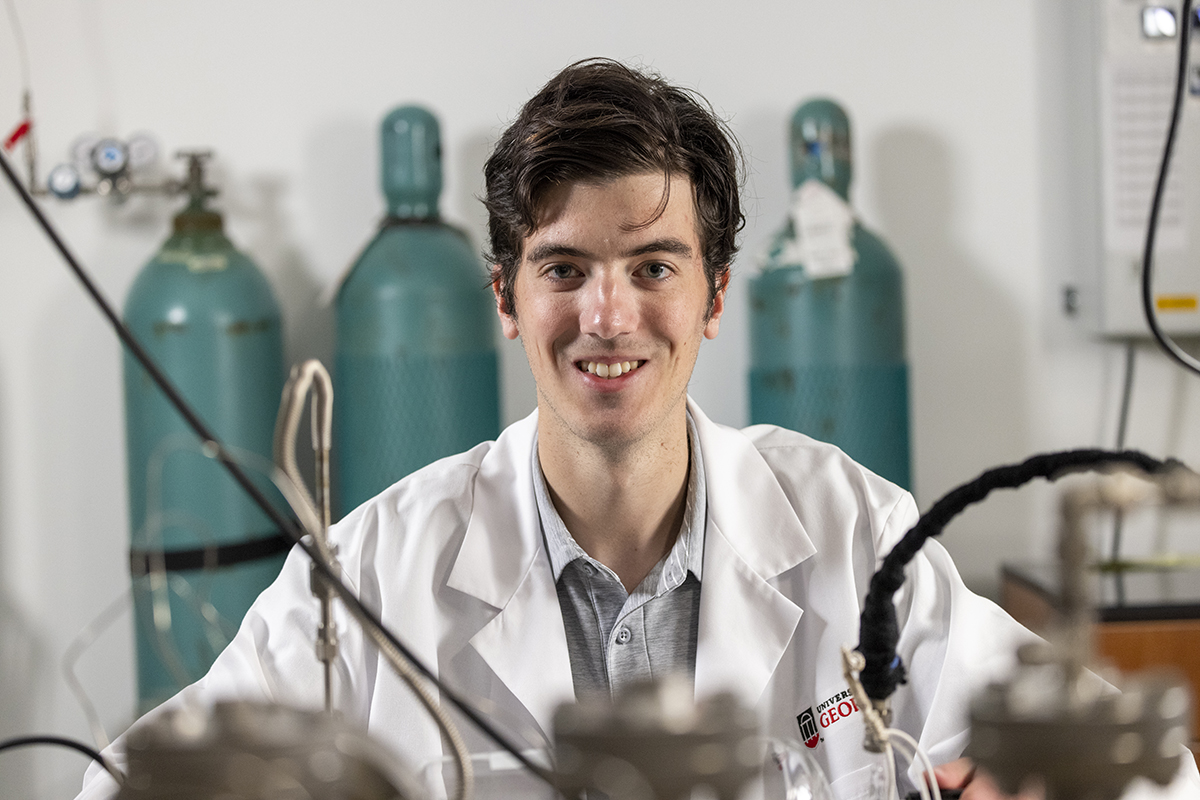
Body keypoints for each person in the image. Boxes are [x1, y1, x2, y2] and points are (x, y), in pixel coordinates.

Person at [79, 59, 1198, 800]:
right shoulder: (374, 571)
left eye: (652, 266)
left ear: (714, 297)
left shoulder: (854, 528)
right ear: (507, 296)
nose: (606, 316)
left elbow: (1157, 775)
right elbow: (122, 784)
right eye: (563, 268)